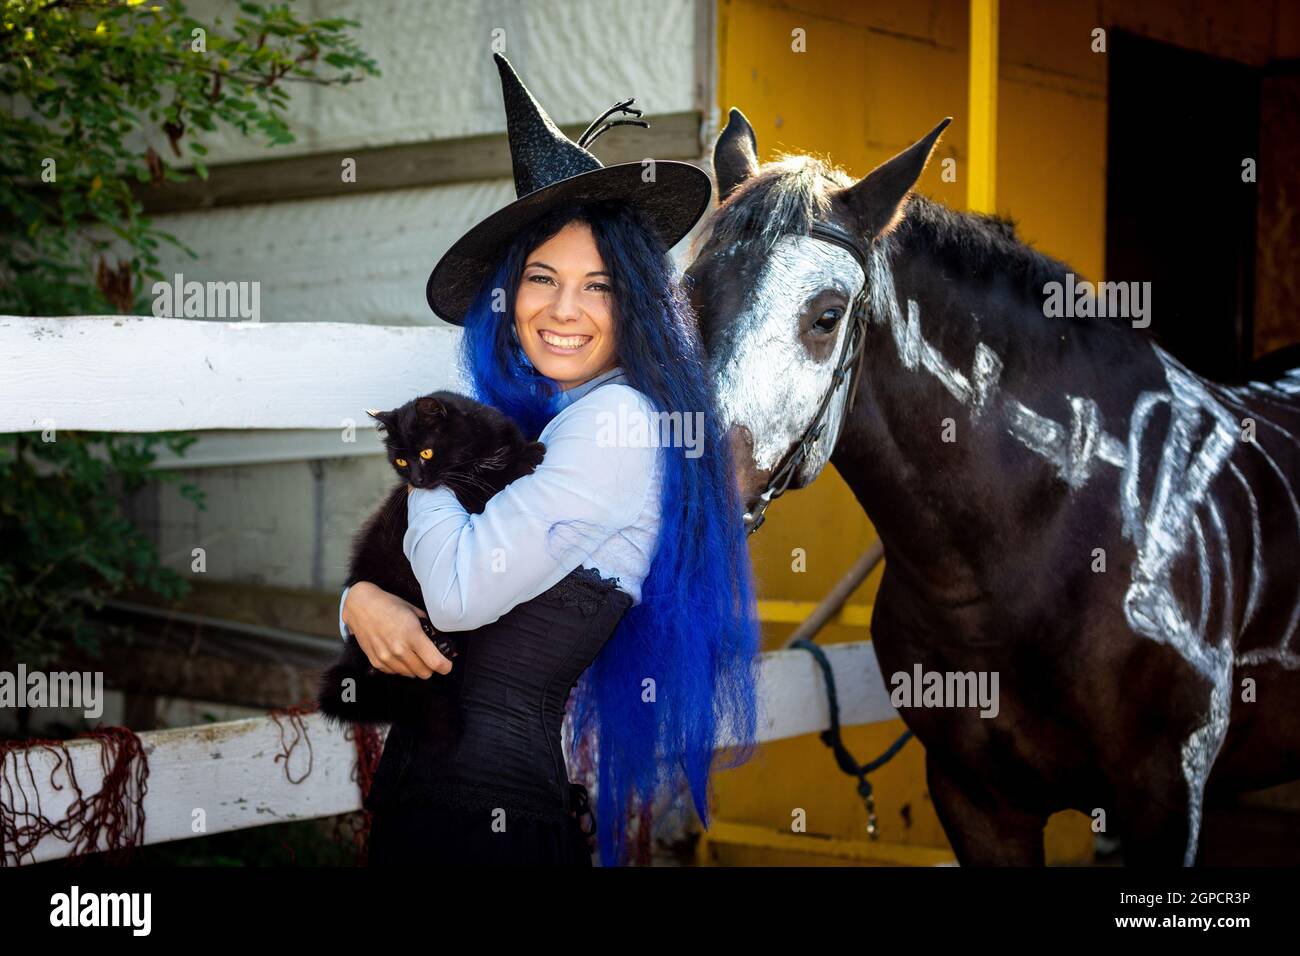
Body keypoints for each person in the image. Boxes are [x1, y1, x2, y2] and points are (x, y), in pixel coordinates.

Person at [338, 52, 762, 867]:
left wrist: (430, 455)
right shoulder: (570, 421)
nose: (563, 310)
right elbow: (443, 592)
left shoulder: (615, 426)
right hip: (446, 811)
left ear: (635, 300)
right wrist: (359, 599)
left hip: (476, 828)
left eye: (598, 285)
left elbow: (457, 596)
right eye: (541, 277)